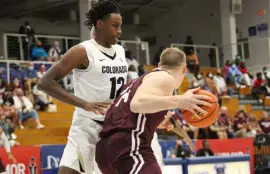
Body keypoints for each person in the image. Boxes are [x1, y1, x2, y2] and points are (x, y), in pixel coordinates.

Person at [38, 1, 128, 174]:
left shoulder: (120, 51)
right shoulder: (82, 51)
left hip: (115, 127)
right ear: (100, 24)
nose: (119, 31)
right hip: (87, 127)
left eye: (120, 26)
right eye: (115, 26)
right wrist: (83, 104)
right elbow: (45, 82)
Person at [95, 47, 212, 174]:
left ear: (159, 65)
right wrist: (180, 100)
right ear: (184, 68)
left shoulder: (136, 82)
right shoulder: (165, 77)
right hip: (129, 149)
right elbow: (137, 104)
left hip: (106, 151)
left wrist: (157, 122)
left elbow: (129, 114)